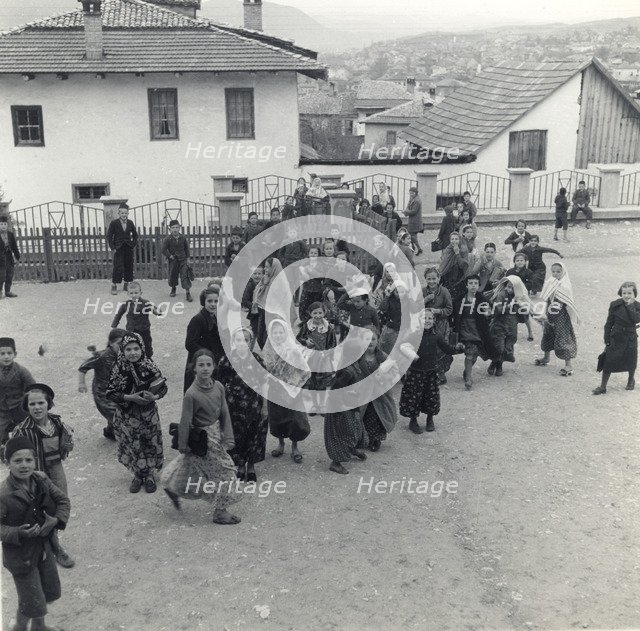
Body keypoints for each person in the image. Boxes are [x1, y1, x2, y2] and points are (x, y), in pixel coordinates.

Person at [162, 349, 241, 525]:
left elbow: (225, 412)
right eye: (201, 365)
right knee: (226, 472)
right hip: (204, 440)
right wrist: (183, 445)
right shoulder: (191, 394)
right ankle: (220, 512)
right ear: (194, 368)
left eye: (208, 364)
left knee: (190, 465)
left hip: (216, 433)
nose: (205, 368)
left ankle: (172, 486)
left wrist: (228, 436)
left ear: (214, 367)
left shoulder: (219, 386)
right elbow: (185, 421)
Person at [0, 436, 70, 631]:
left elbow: (63, 501)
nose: (24, 465)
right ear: (7, 463)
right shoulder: (3, 494)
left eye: (29, 460)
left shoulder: (41, 480)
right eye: (17, 460)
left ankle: (39, 627)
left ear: (35, 461)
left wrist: (55, 520)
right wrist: (17, 532)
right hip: (21, 557)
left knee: (48, 593)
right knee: (32, 601)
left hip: (44, 549)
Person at [11, 384, 75, 568]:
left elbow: (65, 445)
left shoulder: (56, 422)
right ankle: (56, 549)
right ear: (27, 406)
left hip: (56, 469)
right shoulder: (22, 430)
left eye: (41, 403)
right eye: (32, 404)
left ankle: (50, 542)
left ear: (49, 404)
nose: (37, 407)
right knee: (41, 510)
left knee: (60, 503)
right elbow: (15, 457)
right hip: (36, 475)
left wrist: (68, 444)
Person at [106, 332, 167, 493]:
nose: (132, 353)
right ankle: (138, 475)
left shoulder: (149, 365)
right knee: (133, 444)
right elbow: (111, 393)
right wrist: (130, 397)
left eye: (136, 348)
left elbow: (163, 386)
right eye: (128, 349)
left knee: (149, 443)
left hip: (148, 414)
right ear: (122, 351)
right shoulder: (118, 368)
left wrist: (154, 396)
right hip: (127, 415)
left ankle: (149, 476)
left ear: (142, 349)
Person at [215, 329, 268, 482]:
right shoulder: (226, 360)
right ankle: (240, 466)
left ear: (251, 342)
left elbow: (265, 383)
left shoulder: (257, 360)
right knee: (237, 436)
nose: (242, 343)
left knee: (254, 435)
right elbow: (220, 384)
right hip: (233, 407)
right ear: (233, 342)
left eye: (246, 339)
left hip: (255, 406)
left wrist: (265, 407)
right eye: (238, 340)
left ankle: (251, 466)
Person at [400, 310, 464, 433]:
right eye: (424, 318)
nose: (427, 320)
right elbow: (403, 347)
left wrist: (457, 349)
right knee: (414, 397)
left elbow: (447, 349)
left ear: (434, 320)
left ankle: (430, 419)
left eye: (430, 318)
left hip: (431, 372)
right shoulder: (414, 335)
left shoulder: (437, 335)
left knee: (431, 397)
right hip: (415, 372)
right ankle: (413, 421)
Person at [263, 319, 311, 464]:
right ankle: (281, 443)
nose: (278, 335)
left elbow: (303, 368)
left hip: (292, 389)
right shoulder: (268, 350)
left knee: (295, 418)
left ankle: (295, 446)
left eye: (280, 332)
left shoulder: (293, 349)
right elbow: (266, 368)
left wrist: (294, 382)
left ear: (286, 333)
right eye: (275, 333)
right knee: (278, 416)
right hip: (276, 389)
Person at [323, 344, 368, 474]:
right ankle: (336, 463)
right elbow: (336, 390)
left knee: (355, 429)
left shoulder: (353, 367)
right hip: (341, 409)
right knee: (343, 433)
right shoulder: (348, 371)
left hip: (350, 406)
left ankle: (351, 449)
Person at [78, 328, 128, 440]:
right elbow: (83, 367)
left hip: (116, 391)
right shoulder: (102, 356)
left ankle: (110, 431)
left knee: (118, 410)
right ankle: (125, 441)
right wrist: (82, 383)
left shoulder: (125, 355)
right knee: (117, 414)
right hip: (102, 393)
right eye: (119, 344)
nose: (123, 347)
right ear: (111, 343)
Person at [453, 275, 499, 390]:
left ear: (478, 286)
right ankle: (468, 378)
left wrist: (487, 313)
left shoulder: (481, 298)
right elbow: (454, 313)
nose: (473, 285)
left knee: (476, 352)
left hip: (478, 329)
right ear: (466, 285)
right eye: (471, 283)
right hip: (465, 329)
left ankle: (466, 371)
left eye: (475, 283)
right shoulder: (460, 299)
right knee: (470, 351)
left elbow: (490, 311)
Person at [593, 281, 640, 394]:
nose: (626, 296)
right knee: (609, 360)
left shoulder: (638, 306)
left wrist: (630, 306)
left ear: (634, 294)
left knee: (631, 360)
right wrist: (607, 339)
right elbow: (609, 323)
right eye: (624, 293)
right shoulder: (615, 305)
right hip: (616, 337)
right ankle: (603, 386)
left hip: (630, 337)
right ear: (620, 293)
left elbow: (636, 320)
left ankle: (630, 380)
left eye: (629, 293)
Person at [534, 262, 580, 376]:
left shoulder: (565, 285)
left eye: (558, 272)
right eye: (553, 271)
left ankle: (568, 364)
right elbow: (546, 297)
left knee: (562, 336)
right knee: (547, 333)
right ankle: (546, 358)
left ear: (563, 272)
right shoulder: (550, 282)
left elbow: (566, 300)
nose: (555, 274)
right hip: (550, 312)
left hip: (561, 315)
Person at [356, 327, 398, 451]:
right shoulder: (358, 358)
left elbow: (394, 371)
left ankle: (376, 439)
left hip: (379, 393)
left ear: (378, 341)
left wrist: (383, 378)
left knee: (376, 416)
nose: (370, 342)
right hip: (363, 392)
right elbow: (352, 372)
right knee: (363, 415)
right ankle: (364, 438)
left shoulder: (383, 357)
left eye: (373, 339)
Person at [487, 276, 532, 376]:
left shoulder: (519, 298)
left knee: (508, 346)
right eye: (508, 286)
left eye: (512, 287)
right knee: (499, 346)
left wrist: (520, 306)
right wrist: (509, 306)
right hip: (499, 325)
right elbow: (497, 309)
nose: (509, 289)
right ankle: (497, 365)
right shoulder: (501, 295)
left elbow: (524, 315)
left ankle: (496, 363)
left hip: (512, 326)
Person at [296, 302, 337, 410]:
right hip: (311, 359)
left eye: (320, 312)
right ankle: (314, 404)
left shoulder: (329, 328)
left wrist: (328, 353)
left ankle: (322, 404)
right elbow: (298, 338)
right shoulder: (307, 326)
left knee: (322, 383)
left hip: (323, 360)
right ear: (310, 313)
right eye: (315, 313)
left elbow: (333, 344)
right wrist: (306, 341)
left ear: (324, 313)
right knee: (312, 382)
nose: (318, 315)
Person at [184, 287, 223, 391]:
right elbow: (190, 343)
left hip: (212, 361)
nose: (213, 304)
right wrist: (207, 354)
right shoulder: (197, 320)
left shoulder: (214, 316)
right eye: (209, 301)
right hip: (201, 362)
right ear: (203, 302)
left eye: (216, 301)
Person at [110, 281, 163, 358]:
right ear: (128, 294)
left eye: (136, 293)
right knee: (132, 345)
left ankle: (148, 358)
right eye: (131, 293)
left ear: (140, 293)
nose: (134, 295)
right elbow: (118, 314)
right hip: (131, 330)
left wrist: (156, 311)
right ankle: (134, 359)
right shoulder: (125, 304)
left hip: (144, 329)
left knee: (147, 344)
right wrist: (114, 325)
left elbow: (156, 311)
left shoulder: (145, 302)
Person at [0, 338, 35, 446]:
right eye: (2, 353)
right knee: (1, 431)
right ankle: (4, 450)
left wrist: (28, 401)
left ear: (15, 354)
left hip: (20, 407)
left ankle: (29, 448)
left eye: (9, 353)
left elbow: (33, 387)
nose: (6, 356)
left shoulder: (21, 371)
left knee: (27, 429)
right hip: (2, 409)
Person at [422, 268, 454, 384]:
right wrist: (425, 300)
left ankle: (441, 373)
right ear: (425, 279)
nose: (431, 281)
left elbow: (449, 309)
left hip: (441, 324)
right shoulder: (423, 291)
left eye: (434, 278)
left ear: (439, 278)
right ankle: (429, 372)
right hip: (426, 325)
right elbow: (415, 307)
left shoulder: (444, 291)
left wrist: (437, 311)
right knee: (428, 348)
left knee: (441, 348)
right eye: (429, 279)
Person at [253, 257, 286, 350]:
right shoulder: (265, 278)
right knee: (260, 337)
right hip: (263, 310)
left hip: (274, 314)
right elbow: (257, 291)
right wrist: (264, 284)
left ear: (274, 268)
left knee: (268, 337)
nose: (264, 269)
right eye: (265, 267)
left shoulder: (280, 281)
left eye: (267, 267)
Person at [106, 203, 138, 296]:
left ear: (128, 213)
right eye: (122, 213)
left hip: (128, 247)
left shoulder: (130, 223)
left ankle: (126, 284)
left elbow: (135, 235)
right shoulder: (114, 223)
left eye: (125, 213)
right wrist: (113, 248)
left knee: (129, 266)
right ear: (119, 213)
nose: (124, 215)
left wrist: (133, 244)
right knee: (118, 266)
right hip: (118, 248)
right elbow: (109, 236)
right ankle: (114, 285)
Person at [506, 252, 535, 341]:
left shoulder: (528, 272)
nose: (519, 262)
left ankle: (530, 332)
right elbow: (507, 282)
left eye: (521, 260)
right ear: (514, 262)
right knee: (511, 314)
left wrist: (520, 285)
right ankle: (512, 333)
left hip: (523, 296)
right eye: (517, 260)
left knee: (524, 314)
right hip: (511, 296)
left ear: (525, 261)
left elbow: (530, 284)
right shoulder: (510, 271)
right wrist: (509, 288)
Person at [162, 219, 192, 302]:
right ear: (170, 229)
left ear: (179, 228)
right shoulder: (168, 239)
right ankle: (173, 288)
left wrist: (188, 259)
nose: (175, 229)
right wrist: (170, 256)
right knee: (173, 275)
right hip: (173, 261)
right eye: (173, 228)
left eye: (177, 227)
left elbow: (187, 249)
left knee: (185, 276)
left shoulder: (183, 238)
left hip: (183, 260)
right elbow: (163, 250)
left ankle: (188, 293)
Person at [438, 232, 470, 303]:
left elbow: (463, 265)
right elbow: (443, 262)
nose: (454, 241)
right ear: (450, 240)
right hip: (447, 274)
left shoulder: (463, 250)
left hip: (458, 276)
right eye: (452, 239)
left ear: (460, 240)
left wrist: (457, 253)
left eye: (456, 239)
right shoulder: (448, 249)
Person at [378, 280, 405, 354]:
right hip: (390, 327)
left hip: (401, 329)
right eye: (397, 292)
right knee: (384, 344)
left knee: (395, 348)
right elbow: (382, 308)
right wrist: (387, 296)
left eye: (402, 292)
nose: (399, 294)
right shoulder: (390, 300)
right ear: (393, 291)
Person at [298, 245, 324, 322]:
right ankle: (304, 322)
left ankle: (316, 322)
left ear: (318, 255)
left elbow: (321, 276)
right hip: (307, 289)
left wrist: (311, 271)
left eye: (315, 253)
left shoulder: (321, 265)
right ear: (308, 254)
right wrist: (303, 274)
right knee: (304, 307)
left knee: (316, 307)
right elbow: (301, 277)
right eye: (311, 253)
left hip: (317, 290)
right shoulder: (304, 264)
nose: (313, 254)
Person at [241, 266, 264, 344]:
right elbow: (245, 300)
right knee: (254, 331)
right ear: (251, 275)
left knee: (263, 332)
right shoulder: (250, 286)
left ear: (263, 275)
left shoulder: (264, 285)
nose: (257, 275)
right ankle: (249, 348)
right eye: (255, 273)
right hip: (255, 313)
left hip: (263, 312)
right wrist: (253, 306)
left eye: (259, 273)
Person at [0, 215, 21, 298]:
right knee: (1, 275)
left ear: (7, 225)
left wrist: (17, 256)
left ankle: (7, 291)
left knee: (10, 274)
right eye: (1, 224)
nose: (3, 226)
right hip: (0, 258)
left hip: (9, 257)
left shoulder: (10, 234)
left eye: (5, 224)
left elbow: (14, 247)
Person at [403, 187, 423, 255]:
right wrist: (406, 211)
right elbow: (408, 206)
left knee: (412, 236)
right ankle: (414, 248)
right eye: (410, 193)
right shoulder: (413, 198)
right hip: (413, 220)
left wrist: (405, 212)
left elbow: (414, 211)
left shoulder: (417, 201)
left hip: (415, 221)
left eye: (412, 193)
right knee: (412, 236)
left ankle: (418, 248)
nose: (411, 194)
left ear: (416, 193)